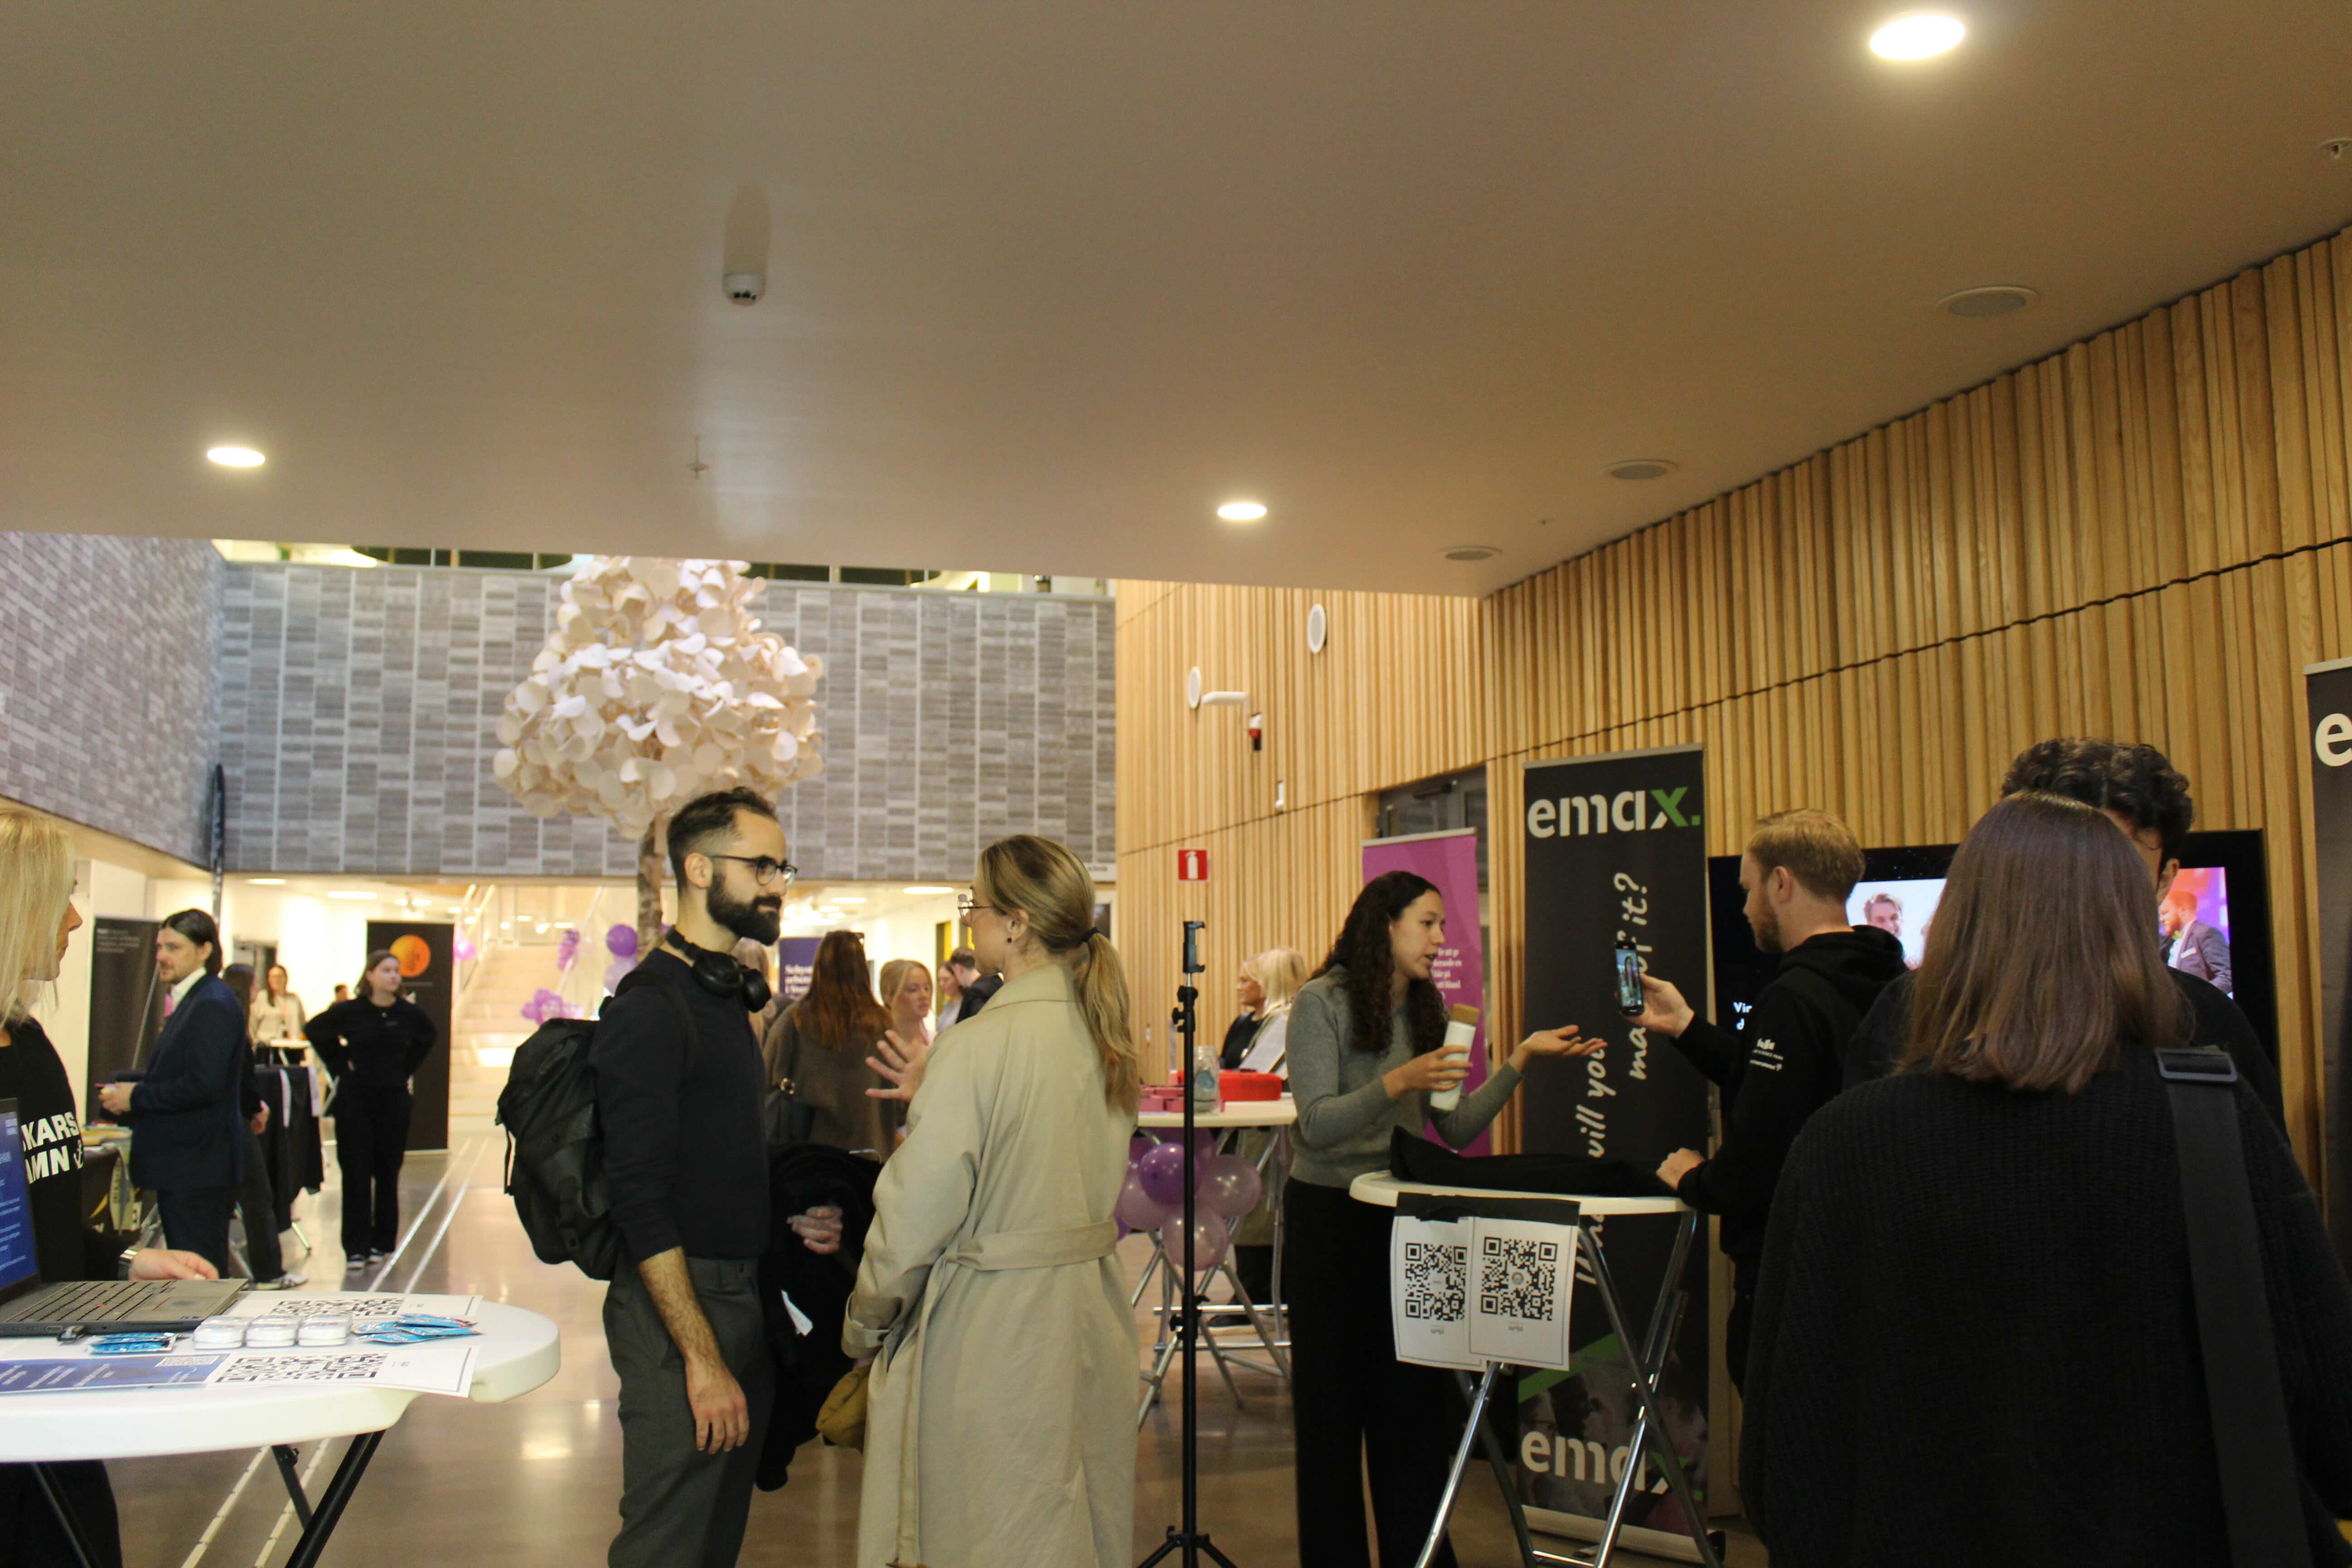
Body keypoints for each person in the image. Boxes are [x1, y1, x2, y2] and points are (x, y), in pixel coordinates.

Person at [1741, 793, 2352, 1567]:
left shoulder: (1840, 1144)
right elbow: (2336, 1429)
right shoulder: (2213, 1120)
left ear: (1954, 933)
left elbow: (1779, 1468)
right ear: (2127, 933)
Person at [1284, 870, 1597, 1568]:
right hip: (1330, 1221)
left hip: (1406, 1219)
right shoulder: (1320, 1002)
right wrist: (1398, 1081)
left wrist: (1519, 1060)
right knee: (1330, 1416)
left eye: (1442, 927)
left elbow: (1454, 1128)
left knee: (1413, 1413)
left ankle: (1419, 1555)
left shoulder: (1432, 1011)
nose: (1438, 940)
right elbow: (1316, 1124)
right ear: (1385, 923)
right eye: (1427, 923)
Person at [843, 836, 1141, 1568]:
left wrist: (865, 1322)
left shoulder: (975, 1047)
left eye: (973, 905)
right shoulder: (1106, 1038)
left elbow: (913, 1217)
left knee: (989, 1534)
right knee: (1078, 1527)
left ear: (1015, 922)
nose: (968, 919)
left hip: (994, 1331)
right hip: (1092, 1317)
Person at [591, 787, 841, 1568]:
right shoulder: (652, 1007)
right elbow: (638, 1198)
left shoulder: (723, 996)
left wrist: (789, 1212)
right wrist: (700, 1358)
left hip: (740, 1295)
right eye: (761, 866)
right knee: (668, 1542)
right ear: (698, 870)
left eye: (781, 868)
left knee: (713, 1538)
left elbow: (714, 1157)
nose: (777, 884)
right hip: (679, 1308)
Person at [1844, 738, 2284, 1123]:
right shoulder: (1911, 1010)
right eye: (2056, 864)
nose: (2081, 891)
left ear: (2164, 880)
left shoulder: (2206, 1020)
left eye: (2117, 868)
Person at [0, 811, 219, 1568]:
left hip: (49, 1397)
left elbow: (43, 1227)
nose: (73, 919)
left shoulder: (31, 1048)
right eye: (58, 896)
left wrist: (126, 1263)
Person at [1632, 809, 1906, 1392]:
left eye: (1748, 888)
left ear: (1781, 883)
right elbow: (1792, 1086)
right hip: (1873, 1267)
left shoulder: (1792, 997)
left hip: (1791, 1280)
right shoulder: (1893, 983)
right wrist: (1686, 1027)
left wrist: (1695, 1179)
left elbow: (1755, 1159)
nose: (1745, 908)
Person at [96, 909, 249, 1274]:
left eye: (174, 948)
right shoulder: (197, 998)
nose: (162, 956)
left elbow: (204, 1084)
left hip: (196, 1165)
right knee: (195, 1267)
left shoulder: (210, 1002)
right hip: (190, 1164)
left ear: (204, 950)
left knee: (198, 1271)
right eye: (159, 947)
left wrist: (135, 1097)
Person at [303, 949, 436, 1267]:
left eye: (397, 971)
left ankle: (383, 1241)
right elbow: (315, 1030)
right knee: (356, 1172)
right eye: (386, 970)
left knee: (388, 1171)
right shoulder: (352, 1011)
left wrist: (404, 1069)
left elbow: (428, 1037)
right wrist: (340, 1065)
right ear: (370, 975)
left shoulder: (407, 1013)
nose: (393, 976)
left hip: (393, 1099)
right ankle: (356, 1246)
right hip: (356, 1099)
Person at [761, 931, 899, 1158]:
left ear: (819, 967)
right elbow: (900, 1101)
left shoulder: (796, 1021)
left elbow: (766, 1078)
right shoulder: (884, 1024)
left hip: (809, 1154)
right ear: (862, 969)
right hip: (870, 1152)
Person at [1226, 946, 1308, 1300]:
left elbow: (1258, 1075)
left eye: (1250, 979)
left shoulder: (1286, 1022)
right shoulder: (1274, 1021)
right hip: (1260, 1131)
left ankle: (1257, 1292)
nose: (1241, 986)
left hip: (1273, 1134)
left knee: (1262, 1211)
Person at [219, 964, 295, 1289]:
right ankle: (269, 1273)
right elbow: (242, 1076)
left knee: (231, 1198)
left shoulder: (223, 1016)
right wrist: (255, 1109)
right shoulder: (234, 1019)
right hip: (233, 1120)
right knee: (257, 1196)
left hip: (222, 1120)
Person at [2161, 885, 2234, 994]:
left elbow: (2227, 977)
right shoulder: (2171, 942)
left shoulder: (2205, 933)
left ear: (2182, 910)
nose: (2162, 919)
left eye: (2165, 913)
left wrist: (2198, 997)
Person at [877, 957, 935, 1057]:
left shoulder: (938, 1042)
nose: (924, 996)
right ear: (890, 998)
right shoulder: (880, 1047)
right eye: (913, 990)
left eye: (927, 988)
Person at [249, 962, 307, 1044]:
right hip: (269, 1045)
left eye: (279, 976)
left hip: (292, 1045)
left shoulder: (294, 999)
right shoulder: (262, 997)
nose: (276, 980)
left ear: (286, 978)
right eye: (273, 977)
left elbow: (302, 1023)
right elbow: (252, 1025)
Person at [934, 946, 975, 1030]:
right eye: (939, 980)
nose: (941, 984)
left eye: (946, 980)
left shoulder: (967, 1003)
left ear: (957, 978)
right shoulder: (948, 1004)